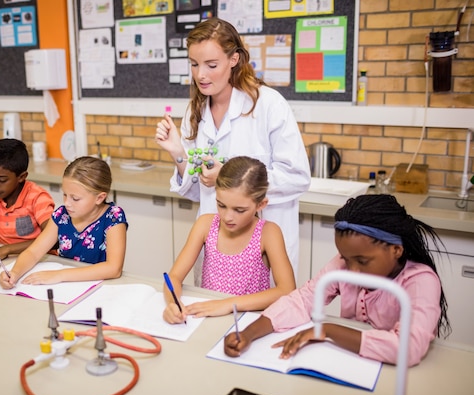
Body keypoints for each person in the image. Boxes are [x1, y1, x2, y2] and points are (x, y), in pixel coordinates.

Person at [155, 17, 311, 279]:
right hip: (216, 250)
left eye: (211, 65)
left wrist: (227, 176)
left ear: (234, 59)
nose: (200, 74)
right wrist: (178, 154)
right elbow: (198, 191)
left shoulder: (267, 104)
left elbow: (298, 177)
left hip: (262, 248)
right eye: (194, 64)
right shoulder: (195, 111)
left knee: (263, 316)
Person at [224, 194, 451, 366]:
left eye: (362, 261)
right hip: (348, 363)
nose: (351, 269)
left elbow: (408, 348)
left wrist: (328, 330)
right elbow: (302, 301)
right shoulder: (346, 263)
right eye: (345, 258)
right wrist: (248, 334)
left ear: (396, 250)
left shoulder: (420, 281)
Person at [163, 156, 295, 324]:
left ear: (261, 204)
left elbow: (287, 289)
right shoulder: (205, 224)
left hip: (248, 322)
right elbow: (174, 276)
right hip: (208, 320)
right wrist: (173, 303)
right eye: (221, 205)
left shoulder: (268, 233)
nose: (227, 217)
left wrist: (227, 305)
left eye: (239, 210)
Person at [0, 156, 127, 289]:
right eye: (65, 195)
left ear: (99, 198)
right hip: (65, 288)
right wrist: (14, 273)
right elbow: (33, 252)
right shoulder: (62, 215)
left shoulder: (113, 217)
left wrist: (59, 275)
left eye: (75, 198)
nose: (67, 203)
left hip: (99, 288)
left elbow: (113, 268)